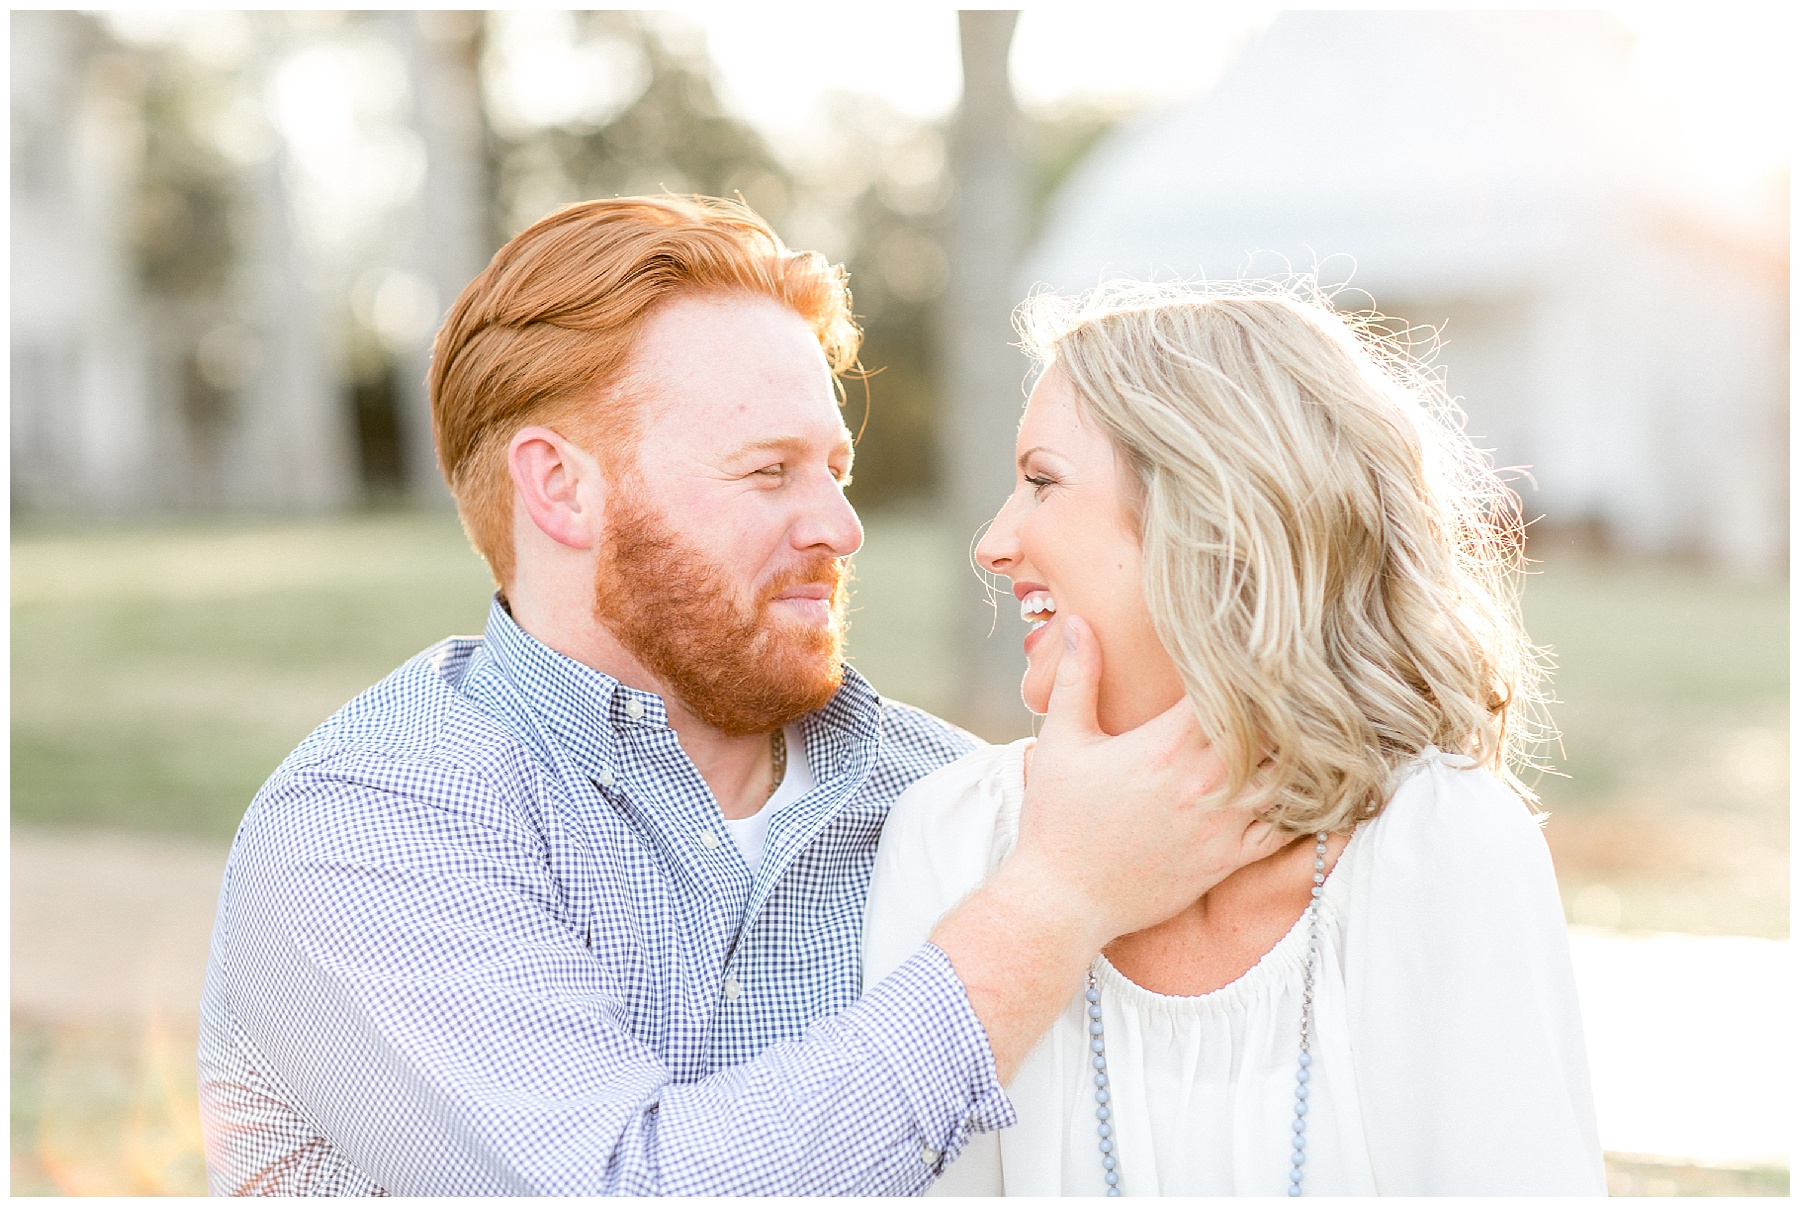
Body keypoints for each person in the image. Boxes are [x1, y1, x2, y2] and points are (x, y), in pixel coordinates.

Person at [196, 198, 1287, 1195]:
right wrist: (1053, 907)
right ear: (560, 487)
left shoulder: (952, 796)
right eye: (769, 471)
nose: (840, 529)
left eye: (835, 470)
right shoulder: (369, 826)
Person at [862, 283, 1608, 1195]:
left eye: (1042, 481)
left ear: (1207, 512)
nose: (993, 542)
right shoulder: (952, 836)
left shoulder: (1441, 843)